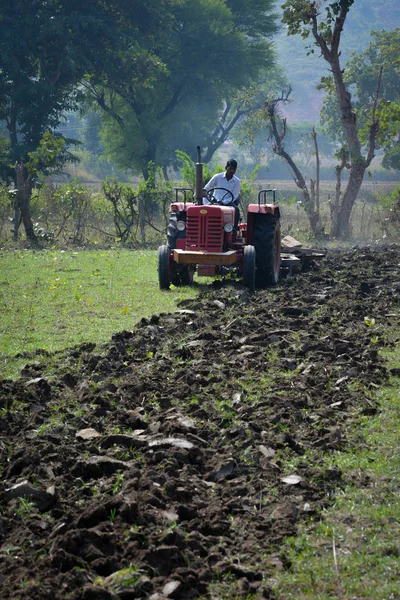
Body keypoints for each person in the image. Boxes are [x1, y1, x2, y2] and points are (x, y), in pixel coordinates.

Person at [203, 159, 241, 230]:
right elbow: (207, 188)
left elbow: (235, 195)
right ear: (226, 168)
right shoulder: (217, 177)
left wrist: (223, 202)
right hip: (214, 200)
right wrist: (206, 203)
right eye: (230, 169)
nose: (232, 171)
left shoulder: (237, 181)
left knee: (236, 210)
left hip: (228, 202)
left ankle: (233, 231)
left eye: (234, 169)